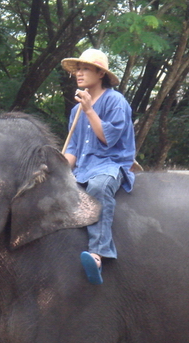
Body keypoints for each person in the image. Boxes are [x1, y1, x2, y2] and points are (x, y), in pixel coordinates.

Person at [61, 48, 136, 285]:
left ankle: (98, 253)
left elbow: (108, 139)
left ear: (100, 73)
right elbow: (72, 149)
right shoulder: (76, 110)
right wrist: (58, 170)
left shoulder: (115, 101)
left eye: (85, 69)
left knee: (99, 186)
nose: (79, 74)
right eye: (78, 69)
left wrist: (89, 110)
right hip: (82, 167)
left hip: (109, 165)